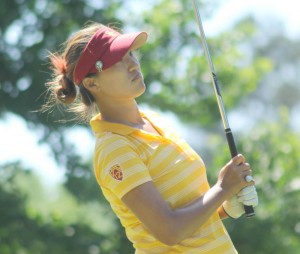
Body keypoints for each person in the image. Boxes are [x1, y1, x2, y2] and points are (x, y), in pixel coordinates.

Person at [44, 22, 258, 253]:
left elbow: (184, 214)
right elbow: (169, 231)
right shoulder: (114, 147)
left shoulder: (155, 120)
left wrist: (225, 207)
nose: (133, 64)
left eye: (131, 54)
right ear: (91, 83)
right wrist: (222, 188)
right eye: (118, 60)